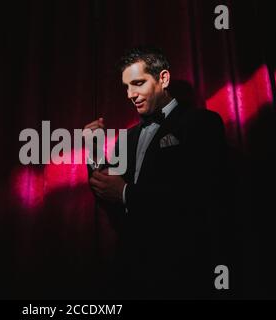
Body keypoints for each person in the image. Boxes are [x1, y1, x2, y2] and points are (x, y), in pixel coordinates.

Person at [84, 46, 231, 299]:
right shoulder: (126, 139)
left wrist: (126, 192)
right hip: (131, 269)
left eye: (138, 83)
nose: (130, 94)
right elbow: (108, 193)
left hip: (183, 267)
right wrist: (94, 150)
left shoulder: (202, 123)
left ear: (163, 79)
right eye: (126, 87)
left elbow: (199, 194)